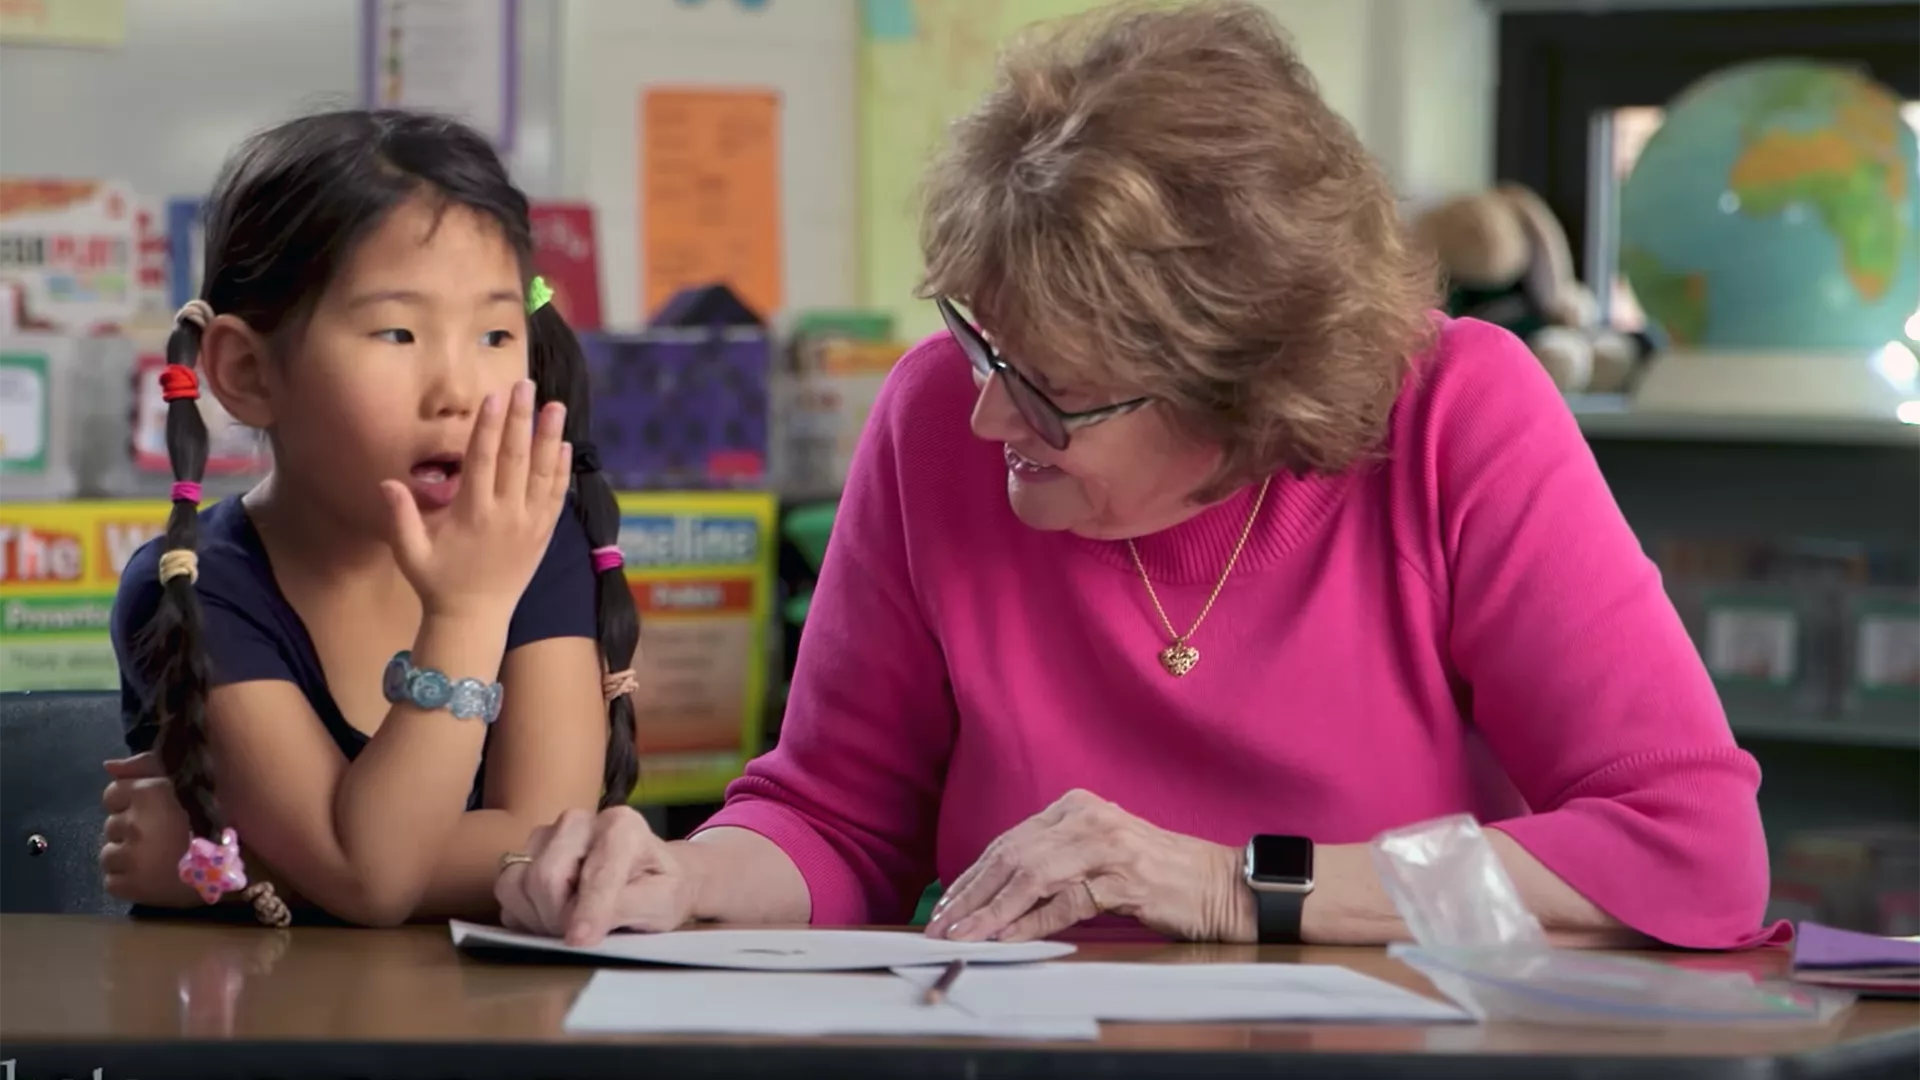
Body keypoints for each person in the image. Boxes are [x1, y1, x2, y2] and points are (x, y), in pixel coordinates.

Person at [501, 0, 1782, 951]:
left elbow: (1688, 849)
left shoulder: (1459, 411)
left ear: (1246, 392)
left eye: (1053, 388)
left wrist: (1233, 883)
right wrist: (691, 874)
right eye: (980, 341)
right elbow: (839, 819)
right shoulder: (934, 416)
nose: (990, 412)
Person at [98, 110, 641, 928]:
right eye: (399, 331)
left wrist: (244, 863)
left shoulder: (536, 542)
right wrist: (467, 614)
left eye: (496, 332)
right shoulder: (193, 587)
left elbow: (547, 846)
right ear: (248, 372)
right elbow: (377, 878)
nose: (458, 389)